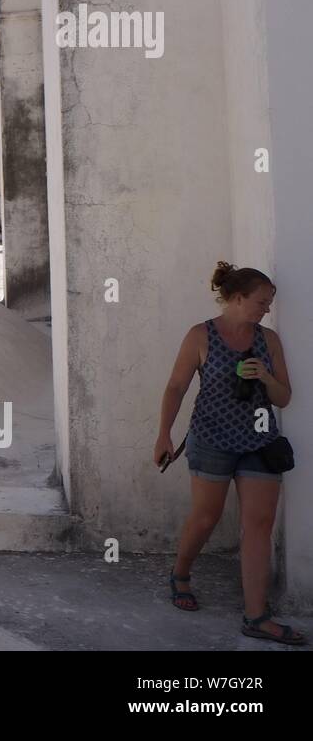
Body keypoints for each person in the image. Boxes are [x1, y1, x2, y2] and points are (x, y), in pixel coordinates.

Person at [154, 261, 305, 645]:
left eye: (269, 303)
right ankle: (181, 573)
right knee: (206, 518)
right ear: (237, 299)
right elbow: (176, 386)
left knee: (259, 524)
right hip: (212, 438)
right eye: (261, 302)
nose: (266, 309)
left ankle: (256, 616)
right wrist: (163, 435)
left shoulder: (268, 340)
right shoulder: (200, 335)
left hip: (259, 441)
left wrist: (266, 377)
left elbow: (284, 398)